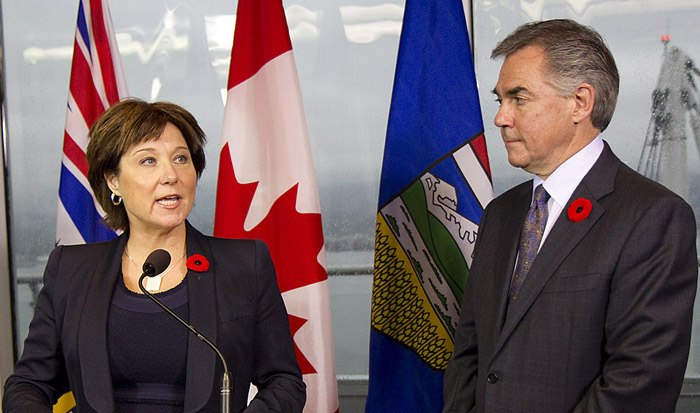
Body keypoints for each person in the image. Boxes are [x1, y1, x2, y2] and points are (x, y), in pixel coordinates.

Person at [443, 19, 698, 412]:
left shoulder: (654, 217)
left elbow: (639, 382)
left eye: (518, 98)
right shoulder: (502, 213)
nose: (501, 118)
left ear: (580, 102)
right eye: (500, 100)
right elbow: (470, 350)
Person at [3, 99, 306, 412]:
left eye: (181, 158)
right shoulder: (70, 270)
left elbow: (284, 381)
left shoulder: (244, 265)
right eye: (148, 161)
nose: (170, 175)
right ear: (113, 180)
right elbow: (28, 384)